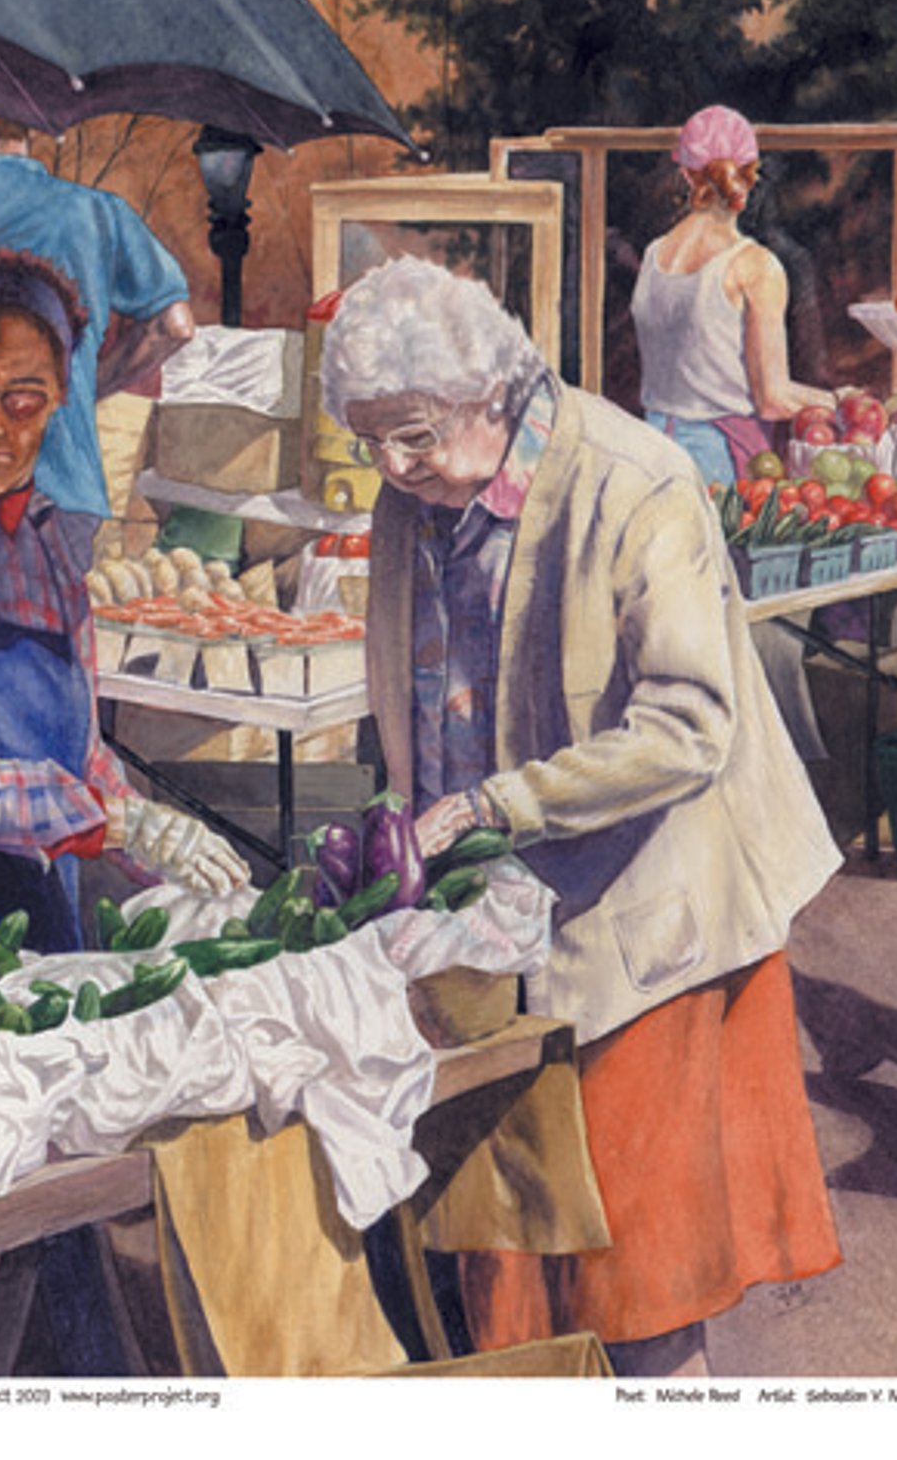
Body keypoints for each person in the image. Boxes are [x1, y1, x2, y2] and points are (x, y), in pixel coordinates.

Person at [320, 256, 843, 1378]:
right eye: (373, 440)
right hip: (498, 933)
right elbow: (415, 696)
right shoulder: (414, 491)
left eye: (410, 434)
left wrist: (495, 805)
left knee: (640, 1295)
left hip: (650, 931)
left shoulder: (636, 481)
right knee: (508, 1285)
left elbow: (690, 724)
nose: (392, 466)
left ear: (487, 394)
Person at [0, 246, 247, 999]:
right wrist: (113, 825)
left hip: (29, 934)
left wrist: (152, 837)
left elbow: (81, 752)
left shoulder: (47, 542)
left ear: (62, 392)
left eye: (23, 398)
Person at [0, 111, 195, 553]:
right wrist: (86, 386)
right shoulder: (96, 211)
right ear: (39, 126)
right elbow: (176, 325)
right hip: (65, 484)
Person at [630, 104, 835, 488]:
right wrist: (838, 403)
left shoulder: (654, 255)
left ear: (687, 174)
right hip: (721, 461)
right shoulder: (755, 266)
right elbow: (773, 398)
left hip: (652, 452)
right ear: (751, 175)